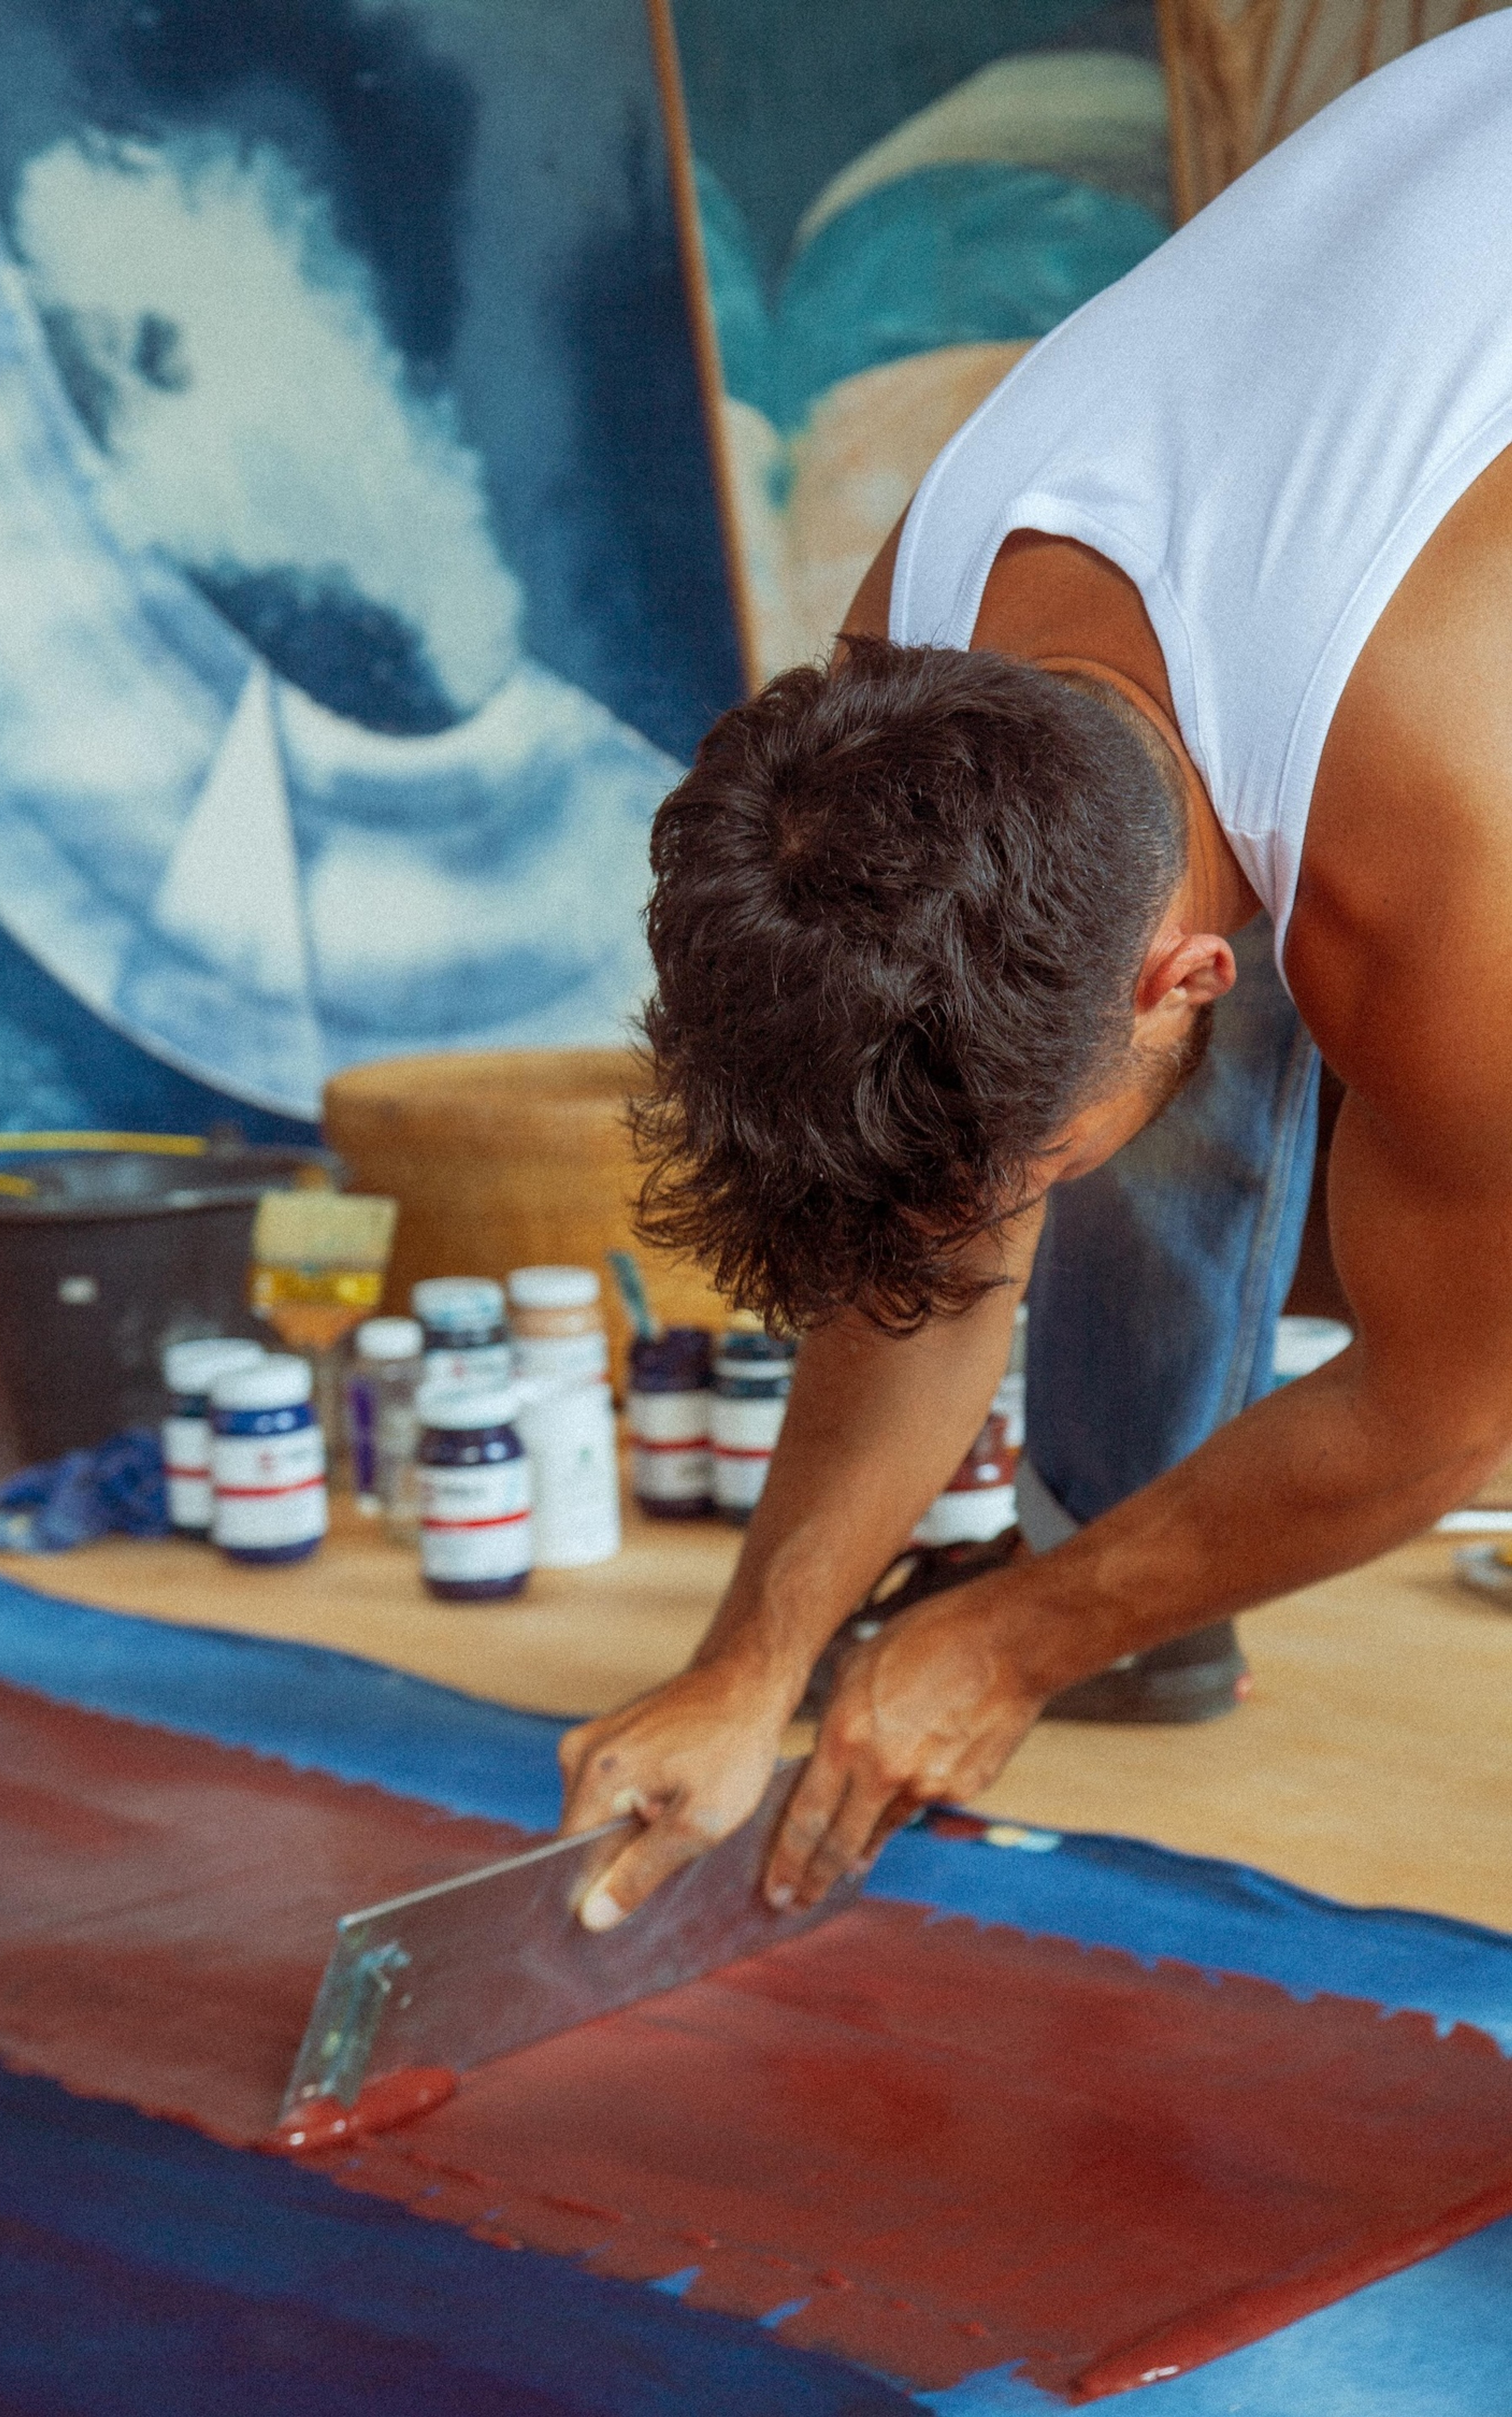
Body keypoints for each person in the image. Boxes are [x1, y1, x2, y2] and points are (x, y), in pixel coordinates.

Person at [559, 18, 1512, 1930]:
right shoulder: (899, 678)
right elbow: (926, 1228)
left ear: (1196, 973)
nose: (982, 1226)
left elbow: (1455, 1404)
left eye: (1020, 1175)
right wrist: (759, 1660)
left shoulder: (1449, 826)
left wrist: (1008, 1646)